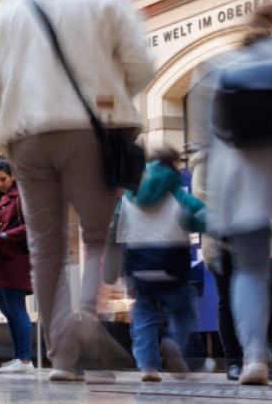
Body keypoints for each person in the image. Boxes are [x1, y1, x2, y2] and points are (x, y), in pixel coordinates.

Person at [0, 0, 155, 381]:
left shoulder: (10, 8)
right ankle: (84, 323)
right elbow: (141, 66)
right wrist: (108, 92)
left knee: (46, 249)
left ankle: (62, 358)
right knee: (96, 239)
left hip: (29, 137)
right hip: (90, 132)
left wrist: (21, 106)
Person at [190, 1, 272, 387]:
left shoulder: (218, 69)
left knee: (249, 269)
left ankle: (254, 359)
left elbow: (204, 140)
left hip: (241, 172)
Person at [110, 146, 206, 382]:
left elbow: (118, 231)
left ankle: (148, 366)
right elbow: (199, 218)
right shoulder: (176, 191)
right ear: (173, 164)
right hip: (172, 262)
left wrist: (119, 271)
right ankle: (173, 341)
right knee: (183, 310)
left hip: (139, 262)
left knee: (144, 312)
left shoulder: (130, 194)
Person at [0, 158, 33, 374]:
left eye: (2, 179)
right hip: (1, 262)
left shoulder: (21, 197)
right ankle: (18, 357)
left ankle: (24, 359)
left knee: (15, 308)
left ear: (13, 175)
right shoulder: (3, 200)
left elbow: (31, 227)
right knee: (8, 309)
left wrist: (4, 236)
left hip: (13, 261)